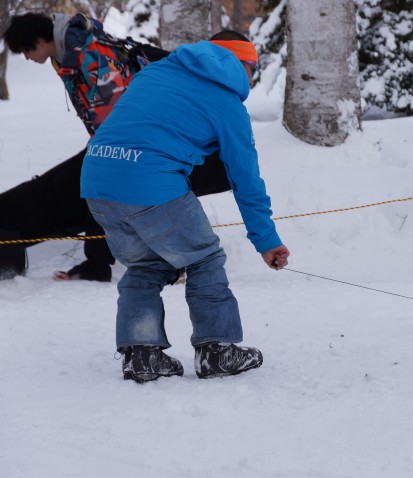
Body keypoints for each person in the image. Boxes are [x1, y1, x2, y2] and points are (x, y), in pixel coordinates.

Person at [81, 30, 290, 382]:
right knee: (203, 257)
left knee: (146, 264)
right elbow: (246, 179)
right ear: (244, 65)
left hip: (96, 179)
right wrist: (266, 240)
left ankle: (141, 355)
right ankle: (217, 350)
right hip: (149, 181)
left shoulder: (156, 71)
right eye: (252, 70)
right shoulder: (226, 102)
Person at [1, 12, 231, 281]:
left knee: (107, 179)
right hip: (138, 138)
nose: (27, 58)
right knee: (87, 179)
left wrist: (103, 153)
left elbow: (120, 122)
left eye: (25, 51)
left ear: (39, 39)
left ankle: (154, 262)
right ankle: (99, 262)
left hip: (162, 142)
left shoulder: (90, 56)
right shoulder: (69, 54)